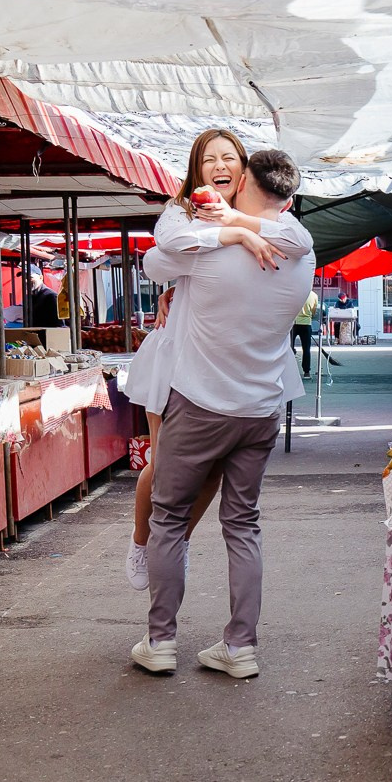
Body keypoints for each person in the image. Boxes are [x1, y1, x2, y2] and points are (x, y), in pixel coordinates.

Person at [133, 147, 314, 679]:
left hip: (201, 401)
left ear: (243, 184)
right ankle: (241, 648)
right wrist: (237, 226)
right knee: (243, 524)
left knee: (168, 518)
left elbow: (156, 257)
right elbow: (295, 235)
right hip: (261, 409)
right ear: (289, 197)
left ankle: (161, 641)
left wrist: (224, 224)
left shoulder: (206, 249)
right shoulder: (302, 253)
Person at [123, 128, 268, 590]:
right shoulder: (182, 212)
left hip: (228, 363)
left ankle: (173, 543)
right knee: (164, 463)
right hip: (175, 355)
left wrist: (238, 230)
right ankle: (144, 541)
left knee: (214, 470)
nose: (220, 166)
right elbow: (159, 258)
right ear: (196, 168)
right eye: (210, 160)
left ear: (244, 170)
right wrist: (228, 237)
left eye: (230, 158)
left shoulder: (260, 217)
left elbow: (290, 249)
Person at [292, 288, 318, 375]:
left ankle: (289, 369)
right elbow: (314, 311)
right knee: (306, 349)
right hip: (306, 324)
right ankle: (306, 371)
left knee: (289, 347)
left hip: (294, 323)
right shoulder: (314, 295)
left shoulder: (294, 292)